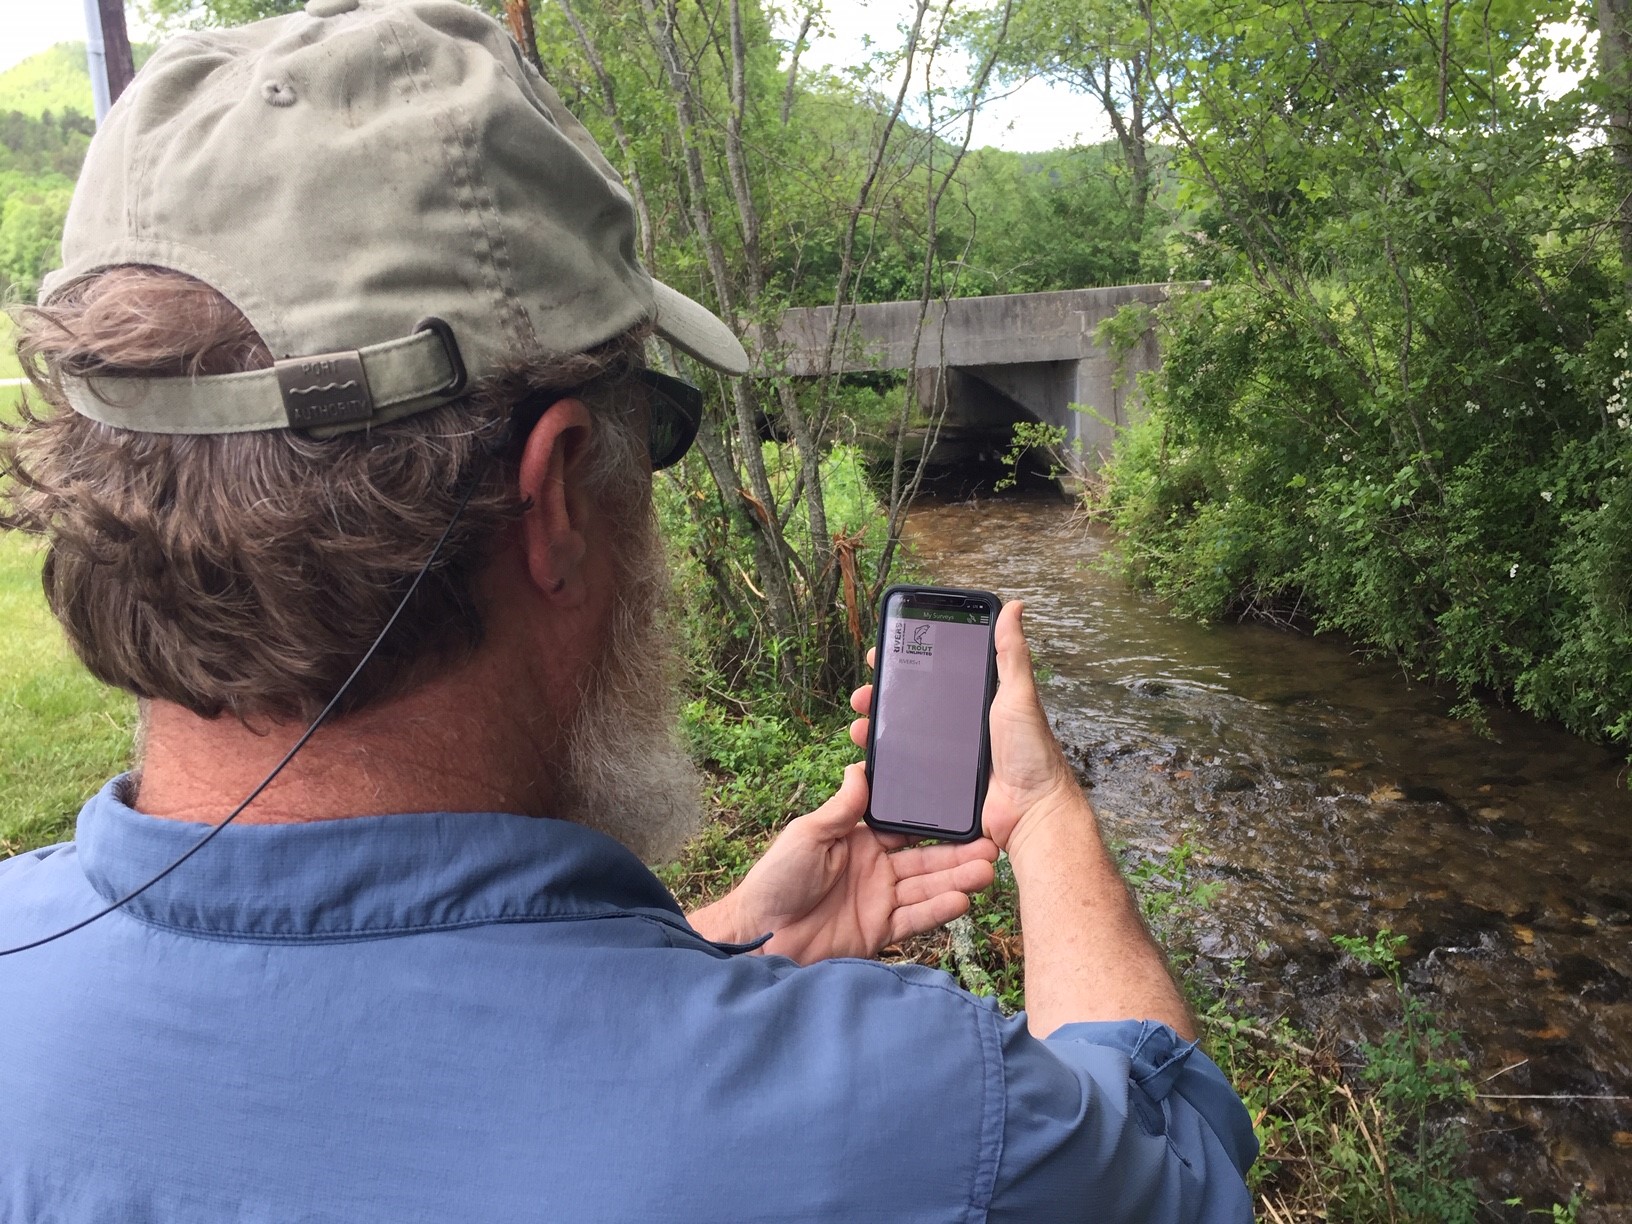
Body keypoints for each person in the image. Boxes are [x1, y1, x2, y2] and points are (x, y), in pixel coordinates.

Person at [0, 1, 1256, 1219]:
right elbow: (1184, 1160)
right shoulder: (922, 1126)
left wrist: (721, 949)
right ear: (552, 498)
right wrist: (1038, 813)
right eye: (650, 435)